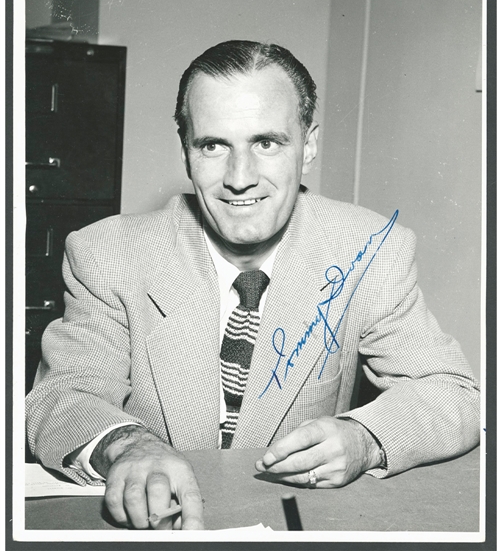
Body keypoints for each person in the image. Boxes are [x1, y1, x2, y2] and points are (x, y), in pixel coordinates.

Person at [26, 40, 480, 531]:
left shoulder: (368, 250)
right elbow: (61, 397)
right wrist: (129, 446)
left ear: (308, 146)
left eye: (266, 143)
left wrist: (364, 437)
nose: (239, 178)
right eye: (213, 145)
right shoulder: (108, 253)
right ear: (186, 152)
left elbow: (452, 392)